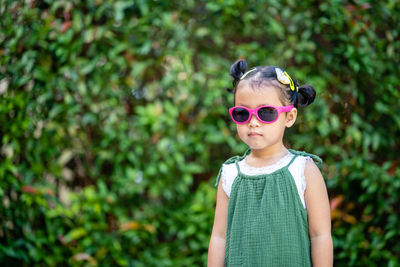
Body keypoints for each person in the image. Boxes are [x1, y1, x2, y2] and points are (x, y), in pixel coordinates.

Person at [207, 59, 333, 266]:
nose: (253, 121)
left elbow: (320, 235)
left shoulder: (303, 170)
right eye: (242, 113)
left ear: (290, 117)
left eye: (266, 112)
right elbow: (219, 237)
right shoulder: (230, 174)